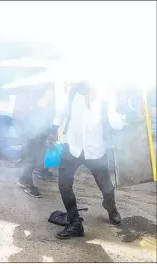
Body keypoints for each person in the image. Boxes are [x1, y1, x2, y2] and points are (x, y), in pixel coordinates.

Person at [51, 80, 126, 239]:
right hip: (73, 147)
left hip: (95, 150)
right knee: (64, 185)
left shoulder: (106, 96)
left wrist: (125, 114)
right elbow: (63, 111)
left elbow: (115, 123)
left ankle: (110, 207)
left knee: (107, 187)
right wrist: (52, 129)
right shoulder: (73, 91)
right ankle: (75, 224)